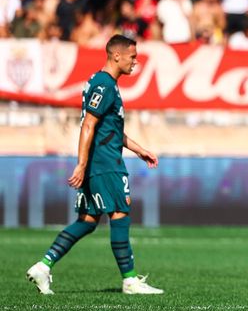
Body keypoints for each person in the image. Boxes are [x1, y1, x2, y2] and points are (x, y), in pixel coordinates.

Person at [26, 35, 163, 295]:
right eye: (133, 57)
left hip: (99, 161)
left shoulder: (103, 83)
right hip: (105, 164)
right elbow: (88, 124)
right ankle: (130, 281)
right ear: (116, 56)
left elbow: (109, 129)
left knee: (88, 221)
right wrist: (81, 163)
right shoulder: (104, 85)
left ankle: (44, 266)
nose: (136, 62)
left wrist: (141, 150)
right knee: (120, 212)